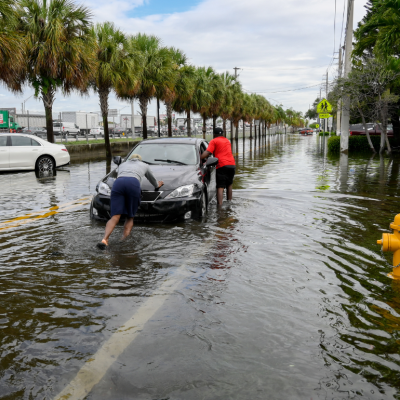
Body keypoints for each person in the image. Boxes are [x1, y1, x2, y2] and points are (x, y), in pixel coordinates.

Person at [97, 154, 163, 249]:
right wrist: (158, 184)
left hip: (118, 184)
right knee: (130, 217)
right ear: (139, 160)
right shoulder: (144, 165)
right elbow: (153, 181)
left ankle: (105, 239)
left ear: (130, 159)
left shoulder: (122, 165)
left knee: (115, 217)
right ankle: (123, 240)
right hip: (133, 183)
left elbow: (118, 175)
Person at [200, 127, 236, 205]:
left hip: (222, 165)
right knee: (229, 184)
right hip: (232, 165)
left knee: (220, 186)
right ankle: (229, 202)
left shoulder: (214, 141)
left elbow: (208, 152)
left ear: (214, 134)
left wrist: (199, 158)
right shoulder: (227, 140)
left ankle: (219, 206)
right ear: (222, 134)